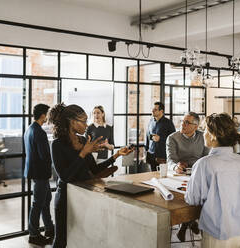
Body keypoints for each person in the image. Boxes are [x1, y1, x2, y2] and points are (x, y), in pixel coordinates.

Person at [48, 103, 133, 248]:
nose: (87, 125)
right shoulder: (57, 144)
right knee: (61, 240)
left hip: (84, 195)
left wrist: (116, 155)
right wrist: (83, 153)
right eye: (84, 121)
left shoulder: (83, 140)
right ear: (72, 122)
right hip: (65, 198)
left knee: (83, 236)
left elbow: (94, 169)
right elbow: (65, 177)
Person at [185, 113, 240, 248]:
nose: (203, 133)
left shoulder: (204, 164)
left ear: (213, 135)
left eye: (205, 130)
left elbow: (192, 199)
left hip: (218, 234)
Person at [166, 112, 210, 241]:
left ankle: (187, 224)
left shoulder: (203, 137)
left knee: (204, 195)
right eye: (182, 121)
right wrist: (176, 166)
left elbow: (206, 158)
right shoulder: (172, 138)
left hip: (199, 173)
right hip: (179, 175)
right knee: (186, 196)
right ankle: (190, 222)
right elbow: (170, 160)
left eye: (187, 122)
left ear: (195, 127)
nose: (183, 124)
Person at [24, 104, 54, 246]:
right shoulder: (40, 132)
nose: (48, 117)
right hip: (40, 173)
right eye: (47, 114)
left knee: (45, 200)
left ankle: (49, 229)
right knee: (38, 204)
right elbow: (44, 156)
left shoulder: (29, 129)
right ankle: (34, 234)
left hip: (35, 172)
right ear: (43, 115)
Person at [145, 102, 175, 171]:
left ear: (161, 111)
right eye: (152, 109)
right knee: (152, 176)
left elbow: (173, 139)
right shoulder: (150, 121)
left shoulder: (168, 123)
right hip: (151, 155)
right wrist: (146, 151)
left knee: (162, 176)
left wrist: (160, 139)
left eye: (155, 109)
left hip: (162, 156)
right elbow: (147, 136)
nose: (152, 111)